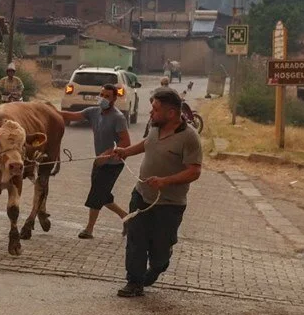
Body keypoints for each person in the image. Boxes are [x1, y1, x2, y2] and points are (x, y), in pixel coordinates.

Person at [103, 87, 203, 298]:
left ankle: (159, 264)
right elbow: (148, 143)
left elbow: (194, 171)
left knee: (159, 251)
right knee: (136, 239)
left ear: (171, 114)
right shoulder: (155, 126)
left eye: (155, 110)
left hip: (169, 205)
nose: (150, 113)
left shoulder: (189, 137)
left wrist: (165, 181)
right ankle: (134, 282)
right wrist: (126, 152)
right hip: (141, 196)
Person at [59, 85, 131, 239]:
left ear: (113, 99)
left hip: (113, 164)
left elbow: (126, 142)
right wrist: (48, 111)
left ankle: (89, 229)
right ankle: (127, 217)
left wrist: (108, 154)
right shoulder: (93, 112)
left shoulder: (118, 117)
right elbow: (71, 116)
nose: (103, 98)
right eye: (102, 94)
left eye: (107, 96)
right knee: (103, 196)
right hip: (98, 162)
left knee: (96, 195)